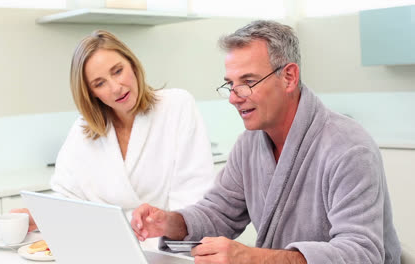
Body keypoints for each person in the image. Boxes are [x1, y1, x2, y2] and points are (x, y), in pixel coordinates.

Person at [131, 20, 401, 263]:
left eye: (248, 81)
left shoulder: (348, 148)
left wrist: (252, 257)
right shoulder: (249, 145)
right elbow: (217, 214)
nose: (234, 97)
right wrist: (169, 222)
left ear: (289, 77)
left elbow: (362, 253)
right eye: (231, 84)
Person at [12, 30, 215, 248]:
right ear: (91, 93)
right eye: (100, 83)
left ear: (132, 64)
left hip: (168, 251)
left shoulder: (177, 106)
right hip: (105, 248)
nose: (116, 87)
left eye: (118, 71)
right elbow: (66, 197)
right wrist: (38, 216)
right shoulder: (84, 130)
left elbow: (193, 198)